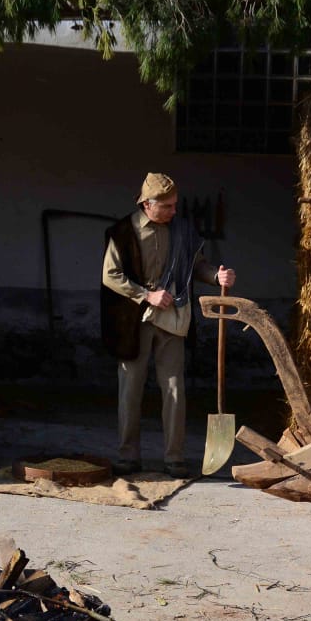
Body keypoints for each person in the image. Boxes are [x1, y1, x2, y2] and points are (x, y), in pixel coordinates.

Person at [101, 172, 235, 477]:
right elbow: (110, 275)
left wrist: (216, 276)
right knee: (130, 390)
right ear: (148, 205)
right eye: (168, 206)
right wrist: (146, 294)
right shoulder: (123, 232)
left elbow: (196, 265)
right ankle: (127, 457)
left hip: (173, 319)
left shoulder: (183, 230)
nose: (175, 211)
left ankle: (174, 458)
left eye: (176, 205)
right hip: (134, 320)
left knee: (174, 388)